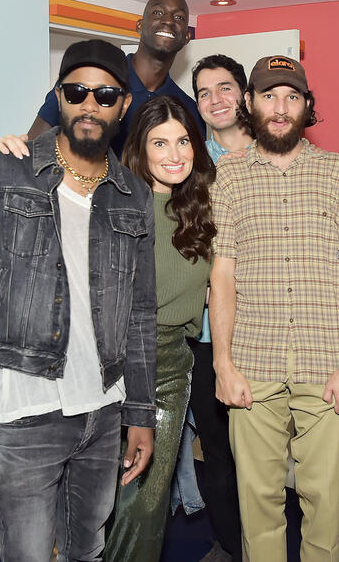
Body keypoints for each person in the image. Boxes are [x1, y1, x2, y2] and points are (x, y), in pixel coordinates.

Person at [0, 39, 156, 561]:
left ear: (123, 105)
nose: (90, 104)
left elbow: (139, 312)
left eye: (106, 94)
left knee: (86, 549)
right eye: (77, 91)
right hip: (27, 406)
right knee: (25, 553)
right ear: (59, 97)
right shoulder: (6, 168)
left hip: (106, 406)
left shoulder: (133, 193)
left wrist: (140, 412)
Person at [209, 55, 339, 562]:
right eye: (269, 96)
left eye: (292, 97)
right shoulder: (229, 177)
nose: (280, 108)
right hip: (252, 364)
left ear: (307, 106)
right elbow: (222, 274)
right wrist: (222, 362)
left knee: (326, 506)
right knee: (256, 507)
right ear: (249, 103)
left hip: (327, 365)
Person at [104, 95, 215, 561]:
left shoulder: (203, 207)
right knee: (99, 499)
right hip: (114, 359)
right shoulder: (118, 205)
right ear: (140, 149)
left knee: (143, 501)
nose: (174, 154)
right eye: (160, 142)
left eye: (183, 140)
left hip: (171, 362)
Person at [185, 53, 255, 562]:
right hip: (208, 334)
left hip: (272, 325)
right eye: (204, 92)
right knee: (218, 447)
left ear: (245, 94)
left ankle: (265, 539)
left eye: (225, 87)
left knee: (266, 449)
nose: (216, 100)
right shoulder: (191, 162)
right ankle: (231, 544)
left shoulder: (278, 152)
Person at [20, 0, 204, 157]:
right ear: (140, 26)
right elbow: (33, 147)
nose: (168, 20)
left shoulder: (187, 108)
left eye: (179, 17)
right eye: (157, 13)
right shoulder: (89, 80)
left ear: (186, 37)